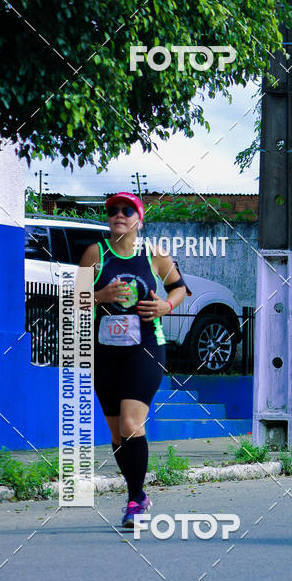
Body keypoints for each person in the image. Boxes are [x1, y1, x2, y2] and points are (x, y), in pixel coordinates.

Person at [79, 192, 187, 526]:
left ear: (139, 219)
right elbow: (74, 300)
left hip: (145, 348)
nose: (119, 215)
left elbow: (179, 288)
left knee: (130, 423)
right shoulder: (95, 253)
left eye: (127, 210)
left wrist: (166, 306)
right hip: (105, 353)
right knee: (116, 434)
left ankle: (134, 502)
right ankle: (138, 493)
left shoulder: (154, 255)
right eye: (113, 211)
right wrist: (101, 295)